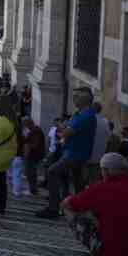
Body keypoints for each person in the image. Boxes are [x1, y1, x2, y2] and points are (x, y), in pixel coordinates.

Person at [36, 89, 96, 219]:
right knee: (76, 180)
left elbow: (66, 132)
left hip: (75, 154)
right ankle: (79, 207)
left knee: (52, 172)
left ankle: (53, 207)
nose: (73, 98)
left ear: (85, 100)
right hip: (73, 153)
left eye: (76, 96)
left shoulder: (85, 116)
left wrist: (62, 130)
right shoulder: (80, 114)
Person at [86, 103, 111, 184]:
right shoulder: (105, 122)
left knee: (82, 181)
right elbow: (108, 138)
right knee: (94, 181)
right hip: (99, 157)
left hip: (86, 156)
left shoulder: (87, 119)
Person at [22, 118, 46, 195]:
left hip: (33, 154)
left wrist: (27, 145)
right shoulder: (34, 130)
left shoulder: (35, 131)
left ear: (28, 124)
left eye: (25, 125)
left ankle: (33, 190)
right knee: (31, 172)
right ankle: (32, 189)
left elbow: (35, 144)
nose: (25, 127)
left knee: (31, 172)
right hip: (33, 154)